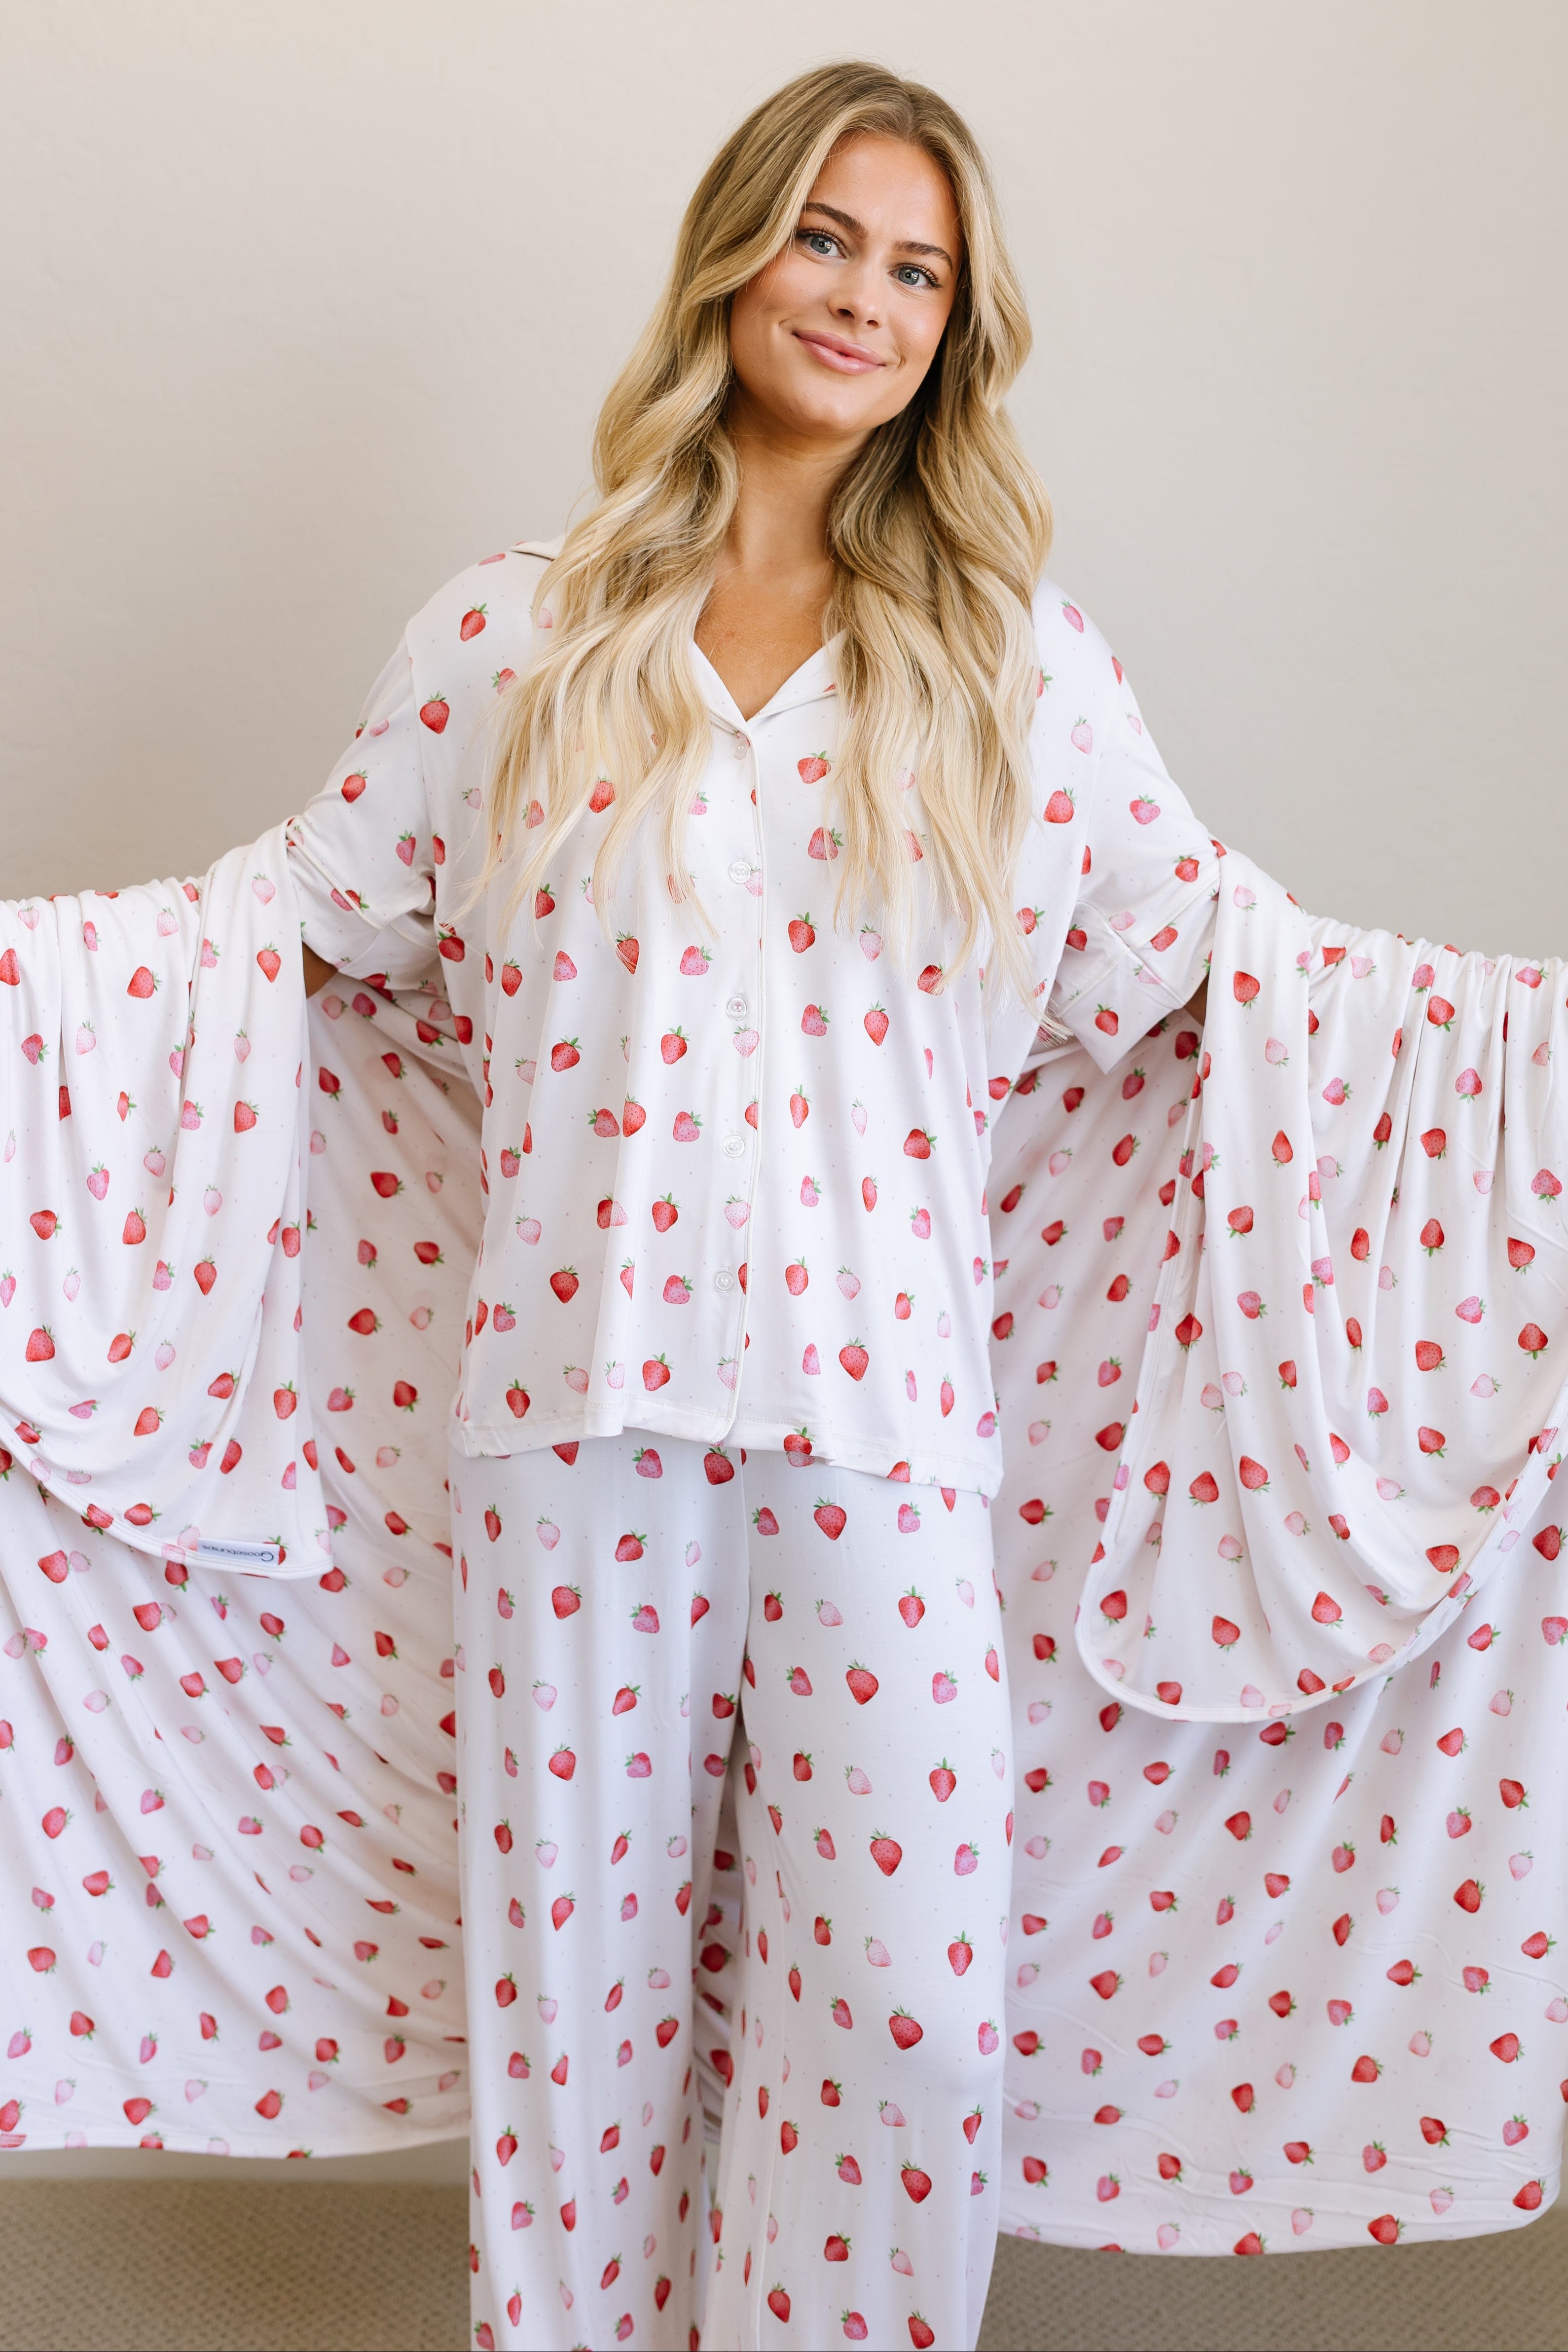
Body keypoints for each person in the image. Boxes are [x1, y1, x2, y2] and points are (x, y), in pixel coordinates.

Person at [283, 59, 1220, 2351]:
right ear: (736, 249)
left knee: (911, 2028)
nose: (867, 297)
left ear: (954, 333)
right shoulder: (510, 635)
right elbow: (298, 937)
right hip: (570, 1423)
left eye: (919, 269)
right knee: (571, 2036)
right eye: (830, 237)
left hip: (884, 1423)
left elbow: (1201, 978)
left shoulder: (1020, 665)